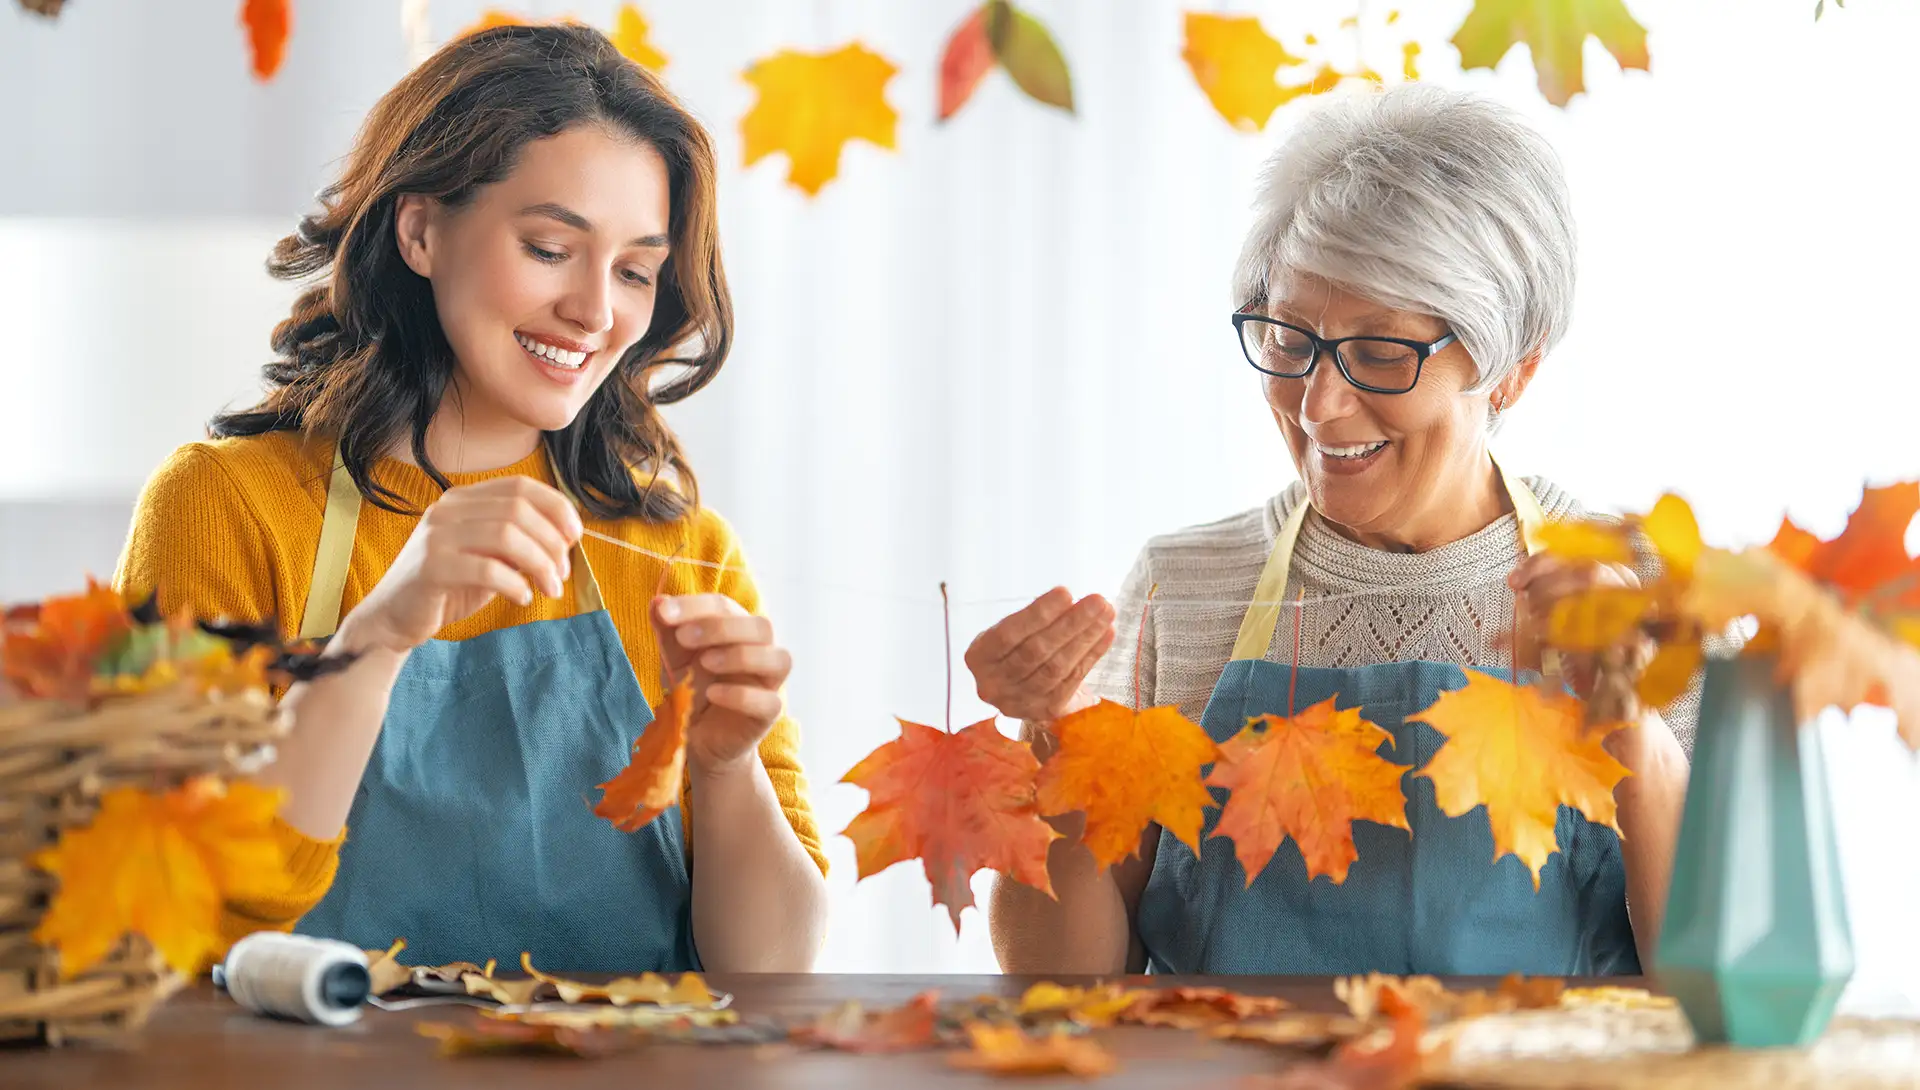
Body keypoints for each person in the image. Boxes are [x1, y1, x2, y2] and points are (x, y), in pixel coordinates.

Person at [114, 25, 826, 974]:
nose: (595, 310)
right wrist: (376, 639)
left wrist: (727, 767)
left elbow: (772, 971)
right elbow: (171, 919)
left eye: (634, 271)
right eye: (549, 247)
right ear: (420, 232)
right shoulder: (226, 506)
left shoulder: (682, 547)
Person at [967, 84, 1690, 978]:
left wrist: (1636, 731)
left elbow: (1733, 989)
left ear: (1514, 368)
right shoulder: (1182, 589)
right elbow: (1061, 980)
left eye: (1381, 352)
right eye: (1289, 340)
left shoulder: (1640, 590)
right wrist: (1052, 738)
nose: (1319, 405)